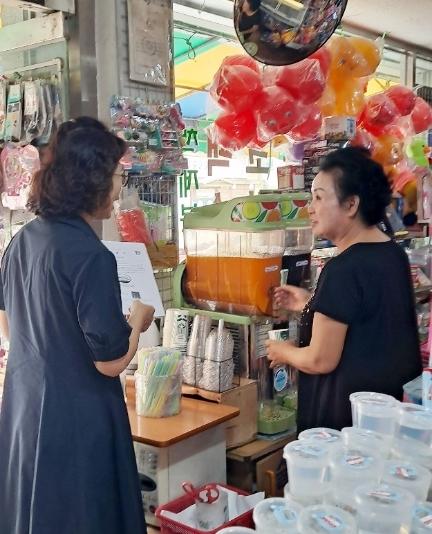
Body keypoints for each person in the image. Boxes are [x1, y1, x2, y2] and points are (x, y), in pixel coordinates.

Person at [0, 117, 154, 534]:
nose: (119, 189)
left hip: (25, 411)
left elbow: (9, 327)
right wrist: (137, 321)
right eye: (118, 176)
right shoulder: (92, 256)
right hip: (78, 419)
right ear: (93, 182)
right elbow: (110, 361)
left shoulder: (22, 241)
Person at [266, 147, 422, 433]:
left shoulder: (343, 268)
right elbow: (366, 321)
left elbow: (319, 359)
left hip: (344, 427)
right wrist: (311, 304)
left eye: (319, 197)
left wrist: (283, 351)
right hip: (384, 419)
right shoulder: (392, 254)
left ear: (351, 204)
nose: (310, 208)